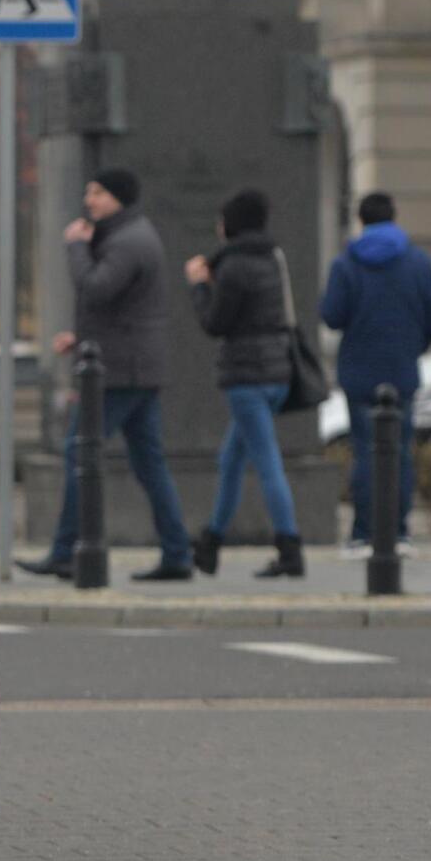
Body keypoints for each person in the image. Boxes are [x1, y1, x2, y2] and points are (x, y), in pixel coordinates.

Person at [17, 168, 195, 581]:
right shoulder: (130, 235)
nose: (89, 201)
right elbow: (121, 307)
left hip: (119, 373)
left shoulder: (128, 241)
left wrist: (76, 248)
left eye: (97, 193)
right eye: (88, 192)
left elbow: (96, 288)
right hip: (131, 365)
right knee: (149, 463)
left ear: (118, 198)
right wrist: (80, 339)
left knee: (80, 453)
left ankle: (66, 551)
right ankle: (177, 552)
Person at [182, 188, 302, 578]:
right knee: (231, 459)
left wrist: (200, 287)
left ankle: (290, 548)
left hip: (247, 377)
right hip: (278, 372)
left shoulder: (233, 267)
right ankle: (211, 543)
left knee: (267, 462)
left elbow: (216, 324)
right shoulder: (272, 257)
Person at [321, 191, 431, 556]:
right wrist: (411, 347)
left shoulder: (346, 263)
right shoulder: (418, 262)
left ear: (361, 221)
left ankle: (361, 534)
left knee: (364, 453)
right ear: (394, 217)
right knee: (400, 453)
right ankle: (399, 533)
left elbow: (331, 316)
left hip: (358, 372)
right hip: (401, 372)